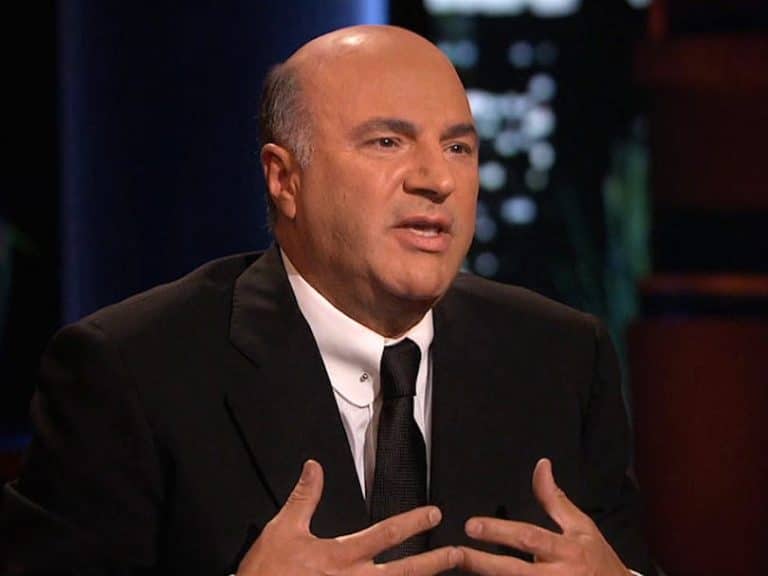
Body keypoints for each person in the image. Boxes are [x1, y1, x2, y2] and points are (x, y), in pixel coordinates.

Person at [1, 25, 655, 576]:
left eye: (458, 147)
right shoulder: (131, 372)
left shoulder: (561, 358)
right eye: (387, 142)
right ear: (285, 179)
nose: (437, 179)